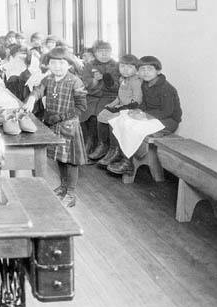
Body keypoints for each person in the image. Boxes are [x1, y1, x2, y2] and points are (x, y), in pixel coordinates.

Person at [23, 47, 87, 208]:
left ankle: (71, 193)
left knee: (71, 161)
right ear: (48, 65)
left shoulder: (75, 82)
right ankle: (63, 186)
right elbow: (38, 90)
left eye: (61, 63)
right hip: (54, 125)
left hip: (69, 127)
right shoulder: (48, 79)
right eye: (53, 63)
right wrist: (32, 98)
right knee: (60, 158)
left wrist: (60, 117)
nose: (57, 66)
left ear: (69, 65)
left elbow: (81, 107)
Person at [107, 55, 182, 175]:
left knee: (134, 128)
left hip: (168, 121)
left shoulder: (165, 88)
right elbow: (144, 104)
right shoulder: (145, 84)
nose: (145, 72)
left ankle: (128, 163)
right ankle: (121, 155)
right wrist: (137, 110)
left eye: (150, 69)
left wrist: (145, 115)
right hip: (153, 117)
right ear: (138, 71)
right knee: (121, 118)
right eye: (142, 69)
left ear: (158, 71)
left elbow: (167, 111)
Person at [89, 54, 143, 164]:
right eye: (122, 66)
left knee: (114, 120)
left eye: (129, 67)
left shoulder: (136, 82)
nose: (125, 70)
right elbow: (119, 97)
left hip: (131, 109)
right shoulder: (122, 79)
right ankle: (103, 145)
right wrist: (111, 105)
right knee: (102, 115)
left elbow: (137, 101)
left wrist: (121, 108)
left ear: (136, 70)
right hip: (120, 108)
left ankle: (115, 150)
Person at [79, 41, 120, 155]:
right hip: (92, 97)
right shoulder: (89, 66)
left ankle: (102, 145)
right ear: (95, 53)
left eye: (107, 51)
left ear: (111, 52)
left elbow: (117, 87)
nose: (104, 54)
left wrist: (107, 81)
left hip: (110, 97)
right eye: (100, 52)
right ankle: (88, 141)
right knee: (84, 111)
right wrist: (95, 81)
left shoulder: (116, 66)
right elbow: (86, 84)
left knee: (100, 114)